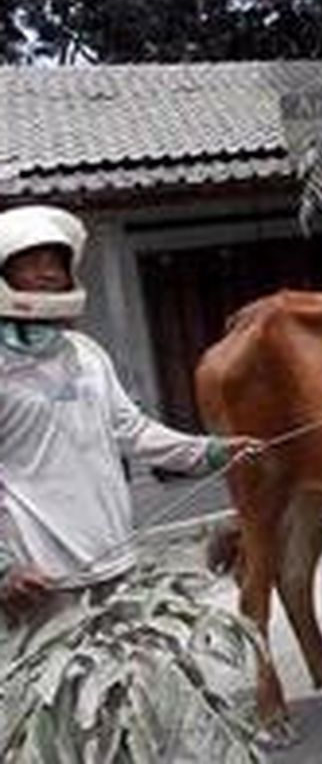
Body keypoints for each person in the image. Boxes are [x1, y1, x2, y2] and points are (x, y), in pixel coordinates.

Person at [0, 205, 260, 662]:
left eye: (55, 261)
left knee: (128, 700)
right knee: (62, 718)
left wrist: (210, 452)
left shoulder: (86, 353)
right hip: (41, 582)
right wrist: (4, 568)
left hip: (114, 561)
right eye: (31, 260)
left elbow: (132, 431)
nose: (47, 272)